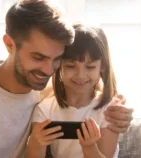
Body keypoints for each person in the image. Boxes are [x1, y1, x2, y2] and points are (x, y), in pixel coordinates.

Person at [0, 0, 133, 158]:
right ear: (9, 44)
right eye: (38, 57)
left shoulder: (45, 91)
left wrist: (120, 113)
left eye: (57, 59)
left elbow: (88, 95)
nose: (49, 69)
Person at [25, 24, 125, 158]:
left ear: (102, 67)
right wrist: (35, 143)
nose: (80, 75)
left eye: (90, 67)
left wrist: (89, 147)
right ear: (59, 65)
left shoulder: (110, 110)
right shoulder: (45, 109)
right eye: (71, 66)